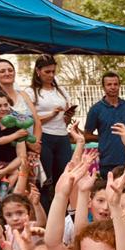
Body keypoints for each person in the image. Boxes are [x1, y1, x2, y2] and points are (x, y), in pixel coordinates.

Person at [84, 72, 125, 175]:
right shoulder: (95, 109)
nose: (113, 87)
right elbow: (87, 135)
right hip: (107, 161)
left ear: (119, 86)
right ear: (103, 87)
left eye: (115, 84)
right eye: (109, 84)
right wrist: (104, 137)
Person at [31, 54, 74, 192]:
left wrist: (68, 116)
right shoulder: (31, 92)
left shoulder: (61, 90)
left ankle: (64, 204)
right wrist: (51, 115)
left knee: (65, 177)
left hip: (62, 136)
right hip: (44, 136)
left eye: (53, 71)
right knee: (45, 180)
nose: (51, 75)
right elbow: (30, 120)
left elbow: (65, 118)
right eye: (47, 71)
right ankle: (45, 203)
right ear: (38, 71)